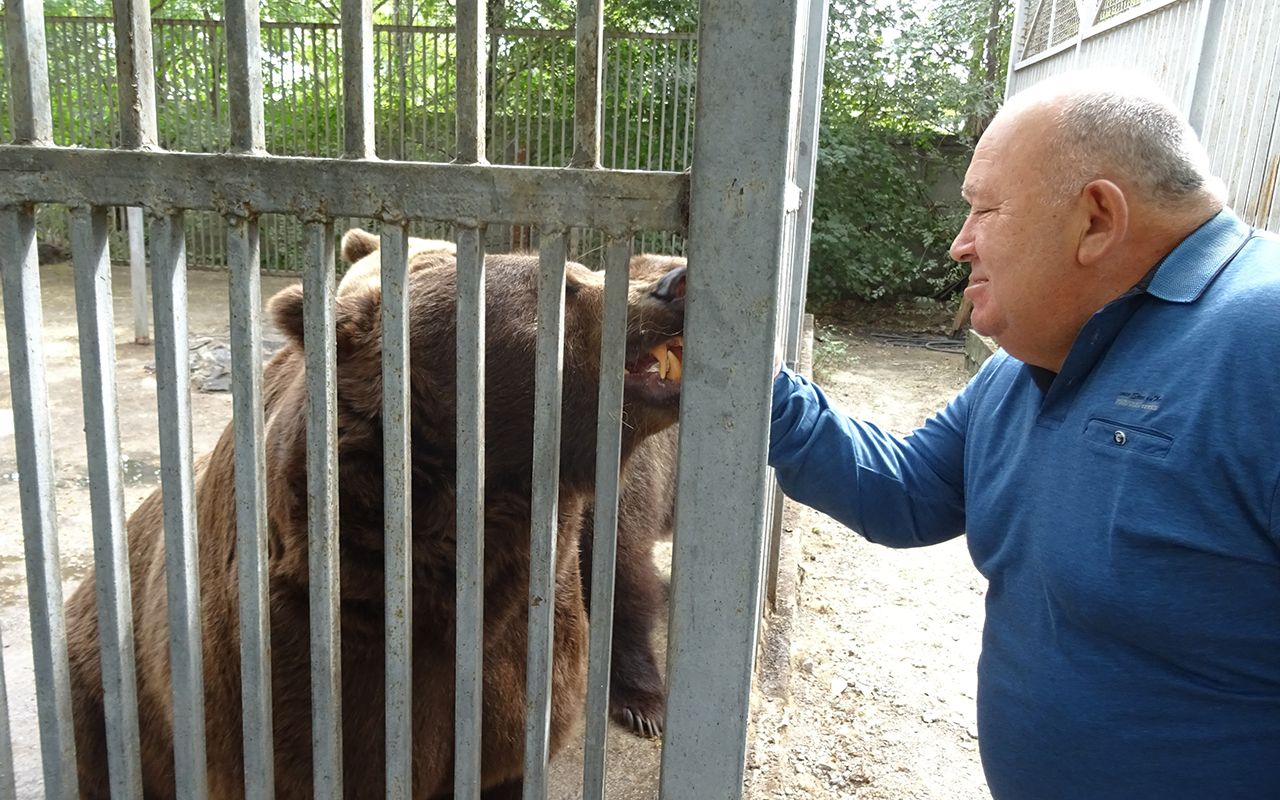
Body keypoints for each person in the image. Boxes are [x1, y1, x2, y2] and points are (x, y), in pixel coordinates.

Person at [769, 70, 1280, 799]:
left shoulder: (1262, 341)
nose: (958, 245)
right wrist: (756, 384)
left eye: (983, 211)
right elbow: (909, 493)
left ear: (1097, 219)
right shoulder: (1034, 356)